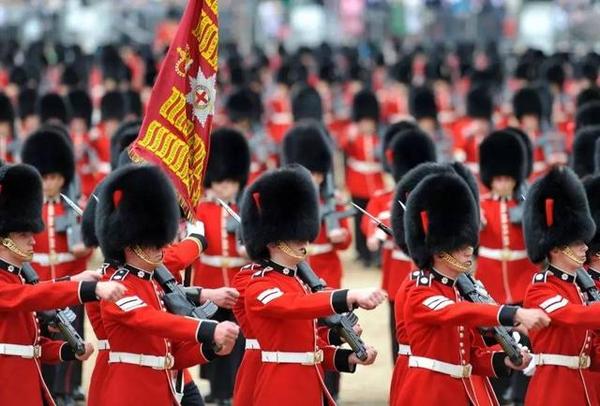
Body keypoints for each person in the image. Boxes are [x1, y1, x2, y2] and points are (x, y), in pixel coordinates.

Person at [394, 171, 549, 405]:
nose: (469, 250)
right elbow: (456, 312)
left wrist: (502, 359)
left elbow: (470, 352)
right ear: (440, 250)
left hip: (466, 392)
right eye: (460, 246)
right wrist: (512, 313)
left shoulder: (459, 289)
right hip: (430, 394)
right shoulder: (420, 291)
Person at [96, 164, 240, 406]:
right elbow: (150, 320)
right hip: (131, 394)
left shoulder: (155, 285)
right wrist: (206, 329)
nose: (163, 247)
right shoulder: (117, 285)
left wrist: (210, 348)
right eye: (155, 243)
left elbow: (172, 353)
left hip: (165, 389)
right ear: (131, 245)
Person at [241, 165, 384, 405]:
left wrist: (348, 357)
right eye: (296, 237)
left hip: (311, 389)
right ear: (274, 242)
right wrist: (347, 296)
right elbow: (292, 306)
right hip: (280, 392)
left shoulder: (299, 282)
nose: (304, 241)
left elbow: (310, 349)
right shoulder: (258, 286)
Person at [0, 163, 126, 406]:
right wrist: (86, 288)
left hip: (26, 387)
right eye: (24, 235)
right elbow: (28, 296)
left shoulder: (16, 277)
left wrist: (67, 351)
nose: (32, 241)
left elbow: (31, 347)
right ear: (4, 240)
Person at [522, 166, 600, 406]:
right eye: (578, 244)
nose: (586, 249)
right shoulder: (541, 288)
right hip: (554, 392)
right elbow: (573, 316)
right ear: (556, 248)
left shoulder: (581, 287)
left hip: (586, 390)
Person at [195, 127, 249, 406]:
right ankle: (218, 389)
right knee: (213, 338)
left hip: (240, 284)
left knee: (238, 342)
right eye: (220, 181)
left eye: (230, 181)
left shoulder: (246, 210)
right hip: (211, 282)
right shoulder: (201, 210)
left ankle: (231, 391)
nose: (225, 186)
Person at [339, 89, 384, 267]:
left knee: (375, 219)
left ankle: (376, 252)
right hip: (357, 183)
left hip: (375, 182)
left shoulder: (378, 137)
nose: (367, 125)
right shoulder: (352, 135)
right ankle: (362, 252)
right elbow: (342, 147)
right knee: (359, 219)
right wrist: (349, 136)